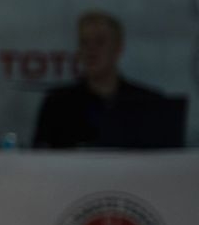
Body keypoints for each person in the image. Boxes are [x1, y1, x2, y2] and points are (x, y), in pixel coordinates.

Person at [34, 12, 183, 149]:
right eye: (84, 43)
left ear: (118, 48)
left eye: (100, 42)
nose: (91, 50)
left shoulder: (150, 104)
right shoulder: (58, 105)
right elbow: (40, 159)